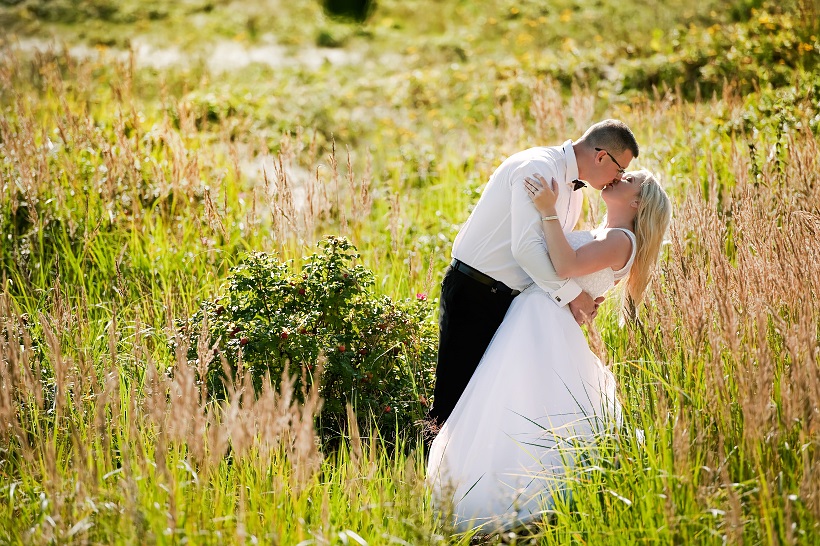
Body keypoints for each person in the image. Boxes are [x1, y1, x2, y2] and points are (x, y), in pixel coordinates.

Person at [426, 169, 673, 533]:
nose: (619, 178)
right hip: (537, 317)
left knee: (525, 406)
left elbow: (565, 264)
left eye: (630, 179)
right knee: (517, 402)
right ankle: (496, 491)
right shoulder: (610, 232)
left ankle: (520, 499)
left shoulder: (622, 240)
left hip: (544, 322)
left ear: (637, 202)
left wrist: (546, 208)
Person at [428, 120, 640, 428]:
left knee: (488, 404)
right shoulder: (538, 169)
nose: (617, 178)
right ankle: (428, 470)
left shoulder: (575, 191)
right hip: (476, 291)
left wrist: (586, 289)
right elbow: (526, 249)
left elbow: (556, 255)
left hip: (514, 302)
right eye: (620, 170)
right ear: (601, 157)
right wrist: (573, 295)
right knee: (453, 399)